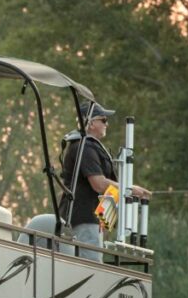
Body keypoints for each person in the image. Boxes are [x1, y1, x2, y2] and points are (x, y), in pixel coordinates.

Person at [61, 101, 151, 259]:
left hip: (91, 219)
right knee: (91, 267)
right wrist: (129, 189)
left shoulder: (88, 146)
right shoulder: (85, 147)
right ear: (91, 122)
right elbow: (99, 184)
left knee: (94, 262)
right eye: (103, 120)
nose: (107, 124)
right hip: (84, 219)